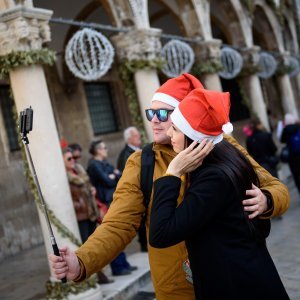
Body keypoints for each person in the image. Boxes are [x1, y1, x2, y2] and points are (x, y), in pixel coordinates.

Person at [49, 73, 289, 300]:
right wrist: (81, 262)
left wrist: (267, 199)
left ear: (187, 115)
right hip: (176, 289)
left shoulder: (221, 145)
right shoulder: (141, 163)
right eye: (151, 113)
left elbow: (275, 187)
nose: (154, 121)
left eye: (163, 114)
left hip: (229, 281)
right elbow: (118, 224)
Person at [149, 88, 289, 300]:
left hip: (236, 286)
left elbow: (161, 234)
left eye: (175, 129)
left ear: (193, 136)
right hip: (250, 277)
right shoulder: (227, 157)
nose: (169, 134)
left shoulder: (213, 178)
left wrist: (172, 173)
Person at [62, 147, 113, 284]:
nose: (73, 161)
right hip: (80, 216)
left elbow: (87, 185)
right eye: (69, 159)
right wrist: (80, 202)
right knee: (85, 246)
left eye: (73, 158)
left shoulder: (79, 171)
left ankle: (99, 273)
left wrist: (92, 190)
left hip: (91, 213)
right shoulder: (64, 177)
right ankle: (96, 275)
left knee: (94, 243)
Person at [87, 140, 137, 276]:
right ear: (98, 150)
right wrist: (113, 175)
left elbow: (119, 174)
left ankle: (123, 264)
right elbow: (107, 180)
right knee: (113, 232)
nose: (106, 150)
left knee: (119, 231)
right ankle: (118, 267)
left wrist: (113, 174)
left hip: (112, 199)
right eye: (104, 147)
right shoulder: (94, 165)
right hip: (104, 203)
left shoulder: (104, 163)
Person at [117, 127, 147, 252]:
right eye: (135, 135)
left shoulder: (138, 150)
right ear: (129, 139)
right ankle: (145, 246)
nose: (139, 136)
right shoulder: (127, 154)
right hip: (138, 192)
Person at [281, 113, 300, 194]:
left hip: (292, 157)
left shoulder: (285, 129)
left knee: (296, 176)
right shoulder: (298, 126)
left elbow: (282, 140)